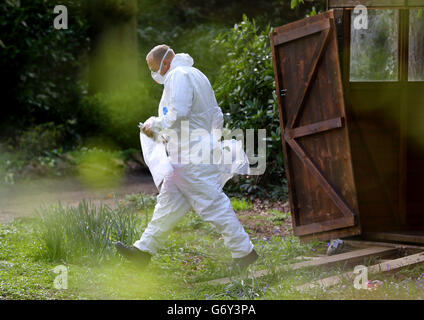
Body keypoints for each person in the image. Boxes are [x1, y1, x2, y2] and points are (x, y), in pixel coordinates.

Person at [114, 44, 258, 270]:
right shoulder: (197, 74)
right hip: (190, 153)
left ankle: (244, 252)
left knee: (213, 205)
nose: (154, 75)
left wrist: (155, 125)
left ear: (166, 63)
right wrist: (209, 141)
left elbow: (177, 114)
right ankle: (143, 251)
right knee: (168, 203)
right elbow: (216, 115)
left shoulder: (177, 76)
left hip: (192, 156)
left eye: (153, 68)